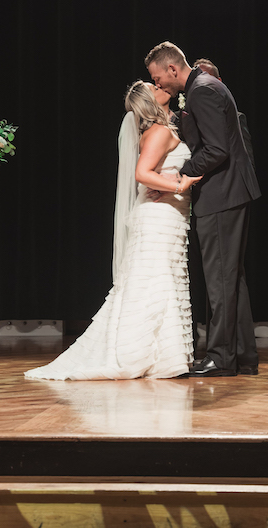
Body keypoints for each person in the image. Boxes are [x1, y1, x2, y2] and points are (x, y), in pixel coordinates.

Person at [24, 81, 199, 380]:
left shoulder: (164, 130)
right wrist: (181, 183)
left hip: (168, 216)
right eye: (154, 87)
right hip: (159, 217)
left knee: (163, 282)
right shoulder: (158, 132)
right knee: (155, 284)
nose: (161, 86)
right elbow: (142, 174)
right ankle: (146, 356)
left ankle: (165, 358)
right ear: (150, 101)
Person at [146, 42, 261, 377]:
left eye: (158, 77)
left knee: (221, 280)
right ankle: (243, 355)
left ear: (172, 68)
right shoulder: (204, 88)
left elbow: (216, 150)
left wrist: (178, 177)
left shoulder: (202, 90)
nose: (160, 84)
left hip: (223, 194)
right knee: (232, 279)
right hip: (229, 193)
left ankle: (222, 358)